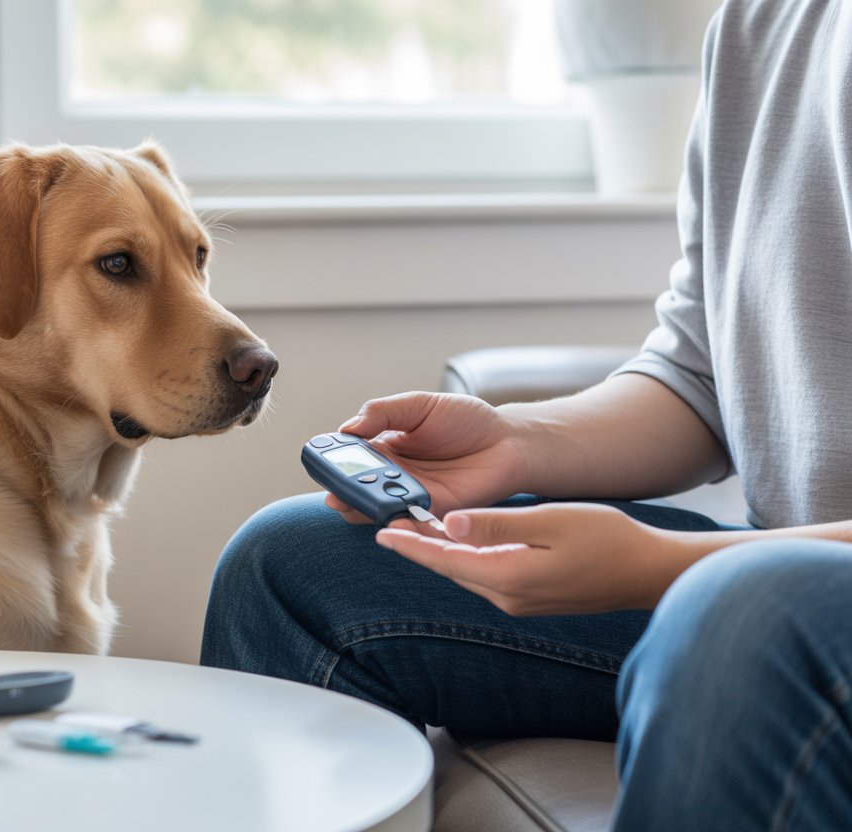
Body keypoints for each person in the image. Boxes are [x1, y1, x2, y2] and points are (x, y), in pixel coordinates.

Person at [200, 2, 852, 829]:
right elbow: (702, 372)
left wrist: (665, 564)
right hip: (762, 580)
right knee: (291, 565)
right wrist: (517, 441)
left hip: (771, 611)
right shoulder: (768, 22)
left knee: (742, 616)